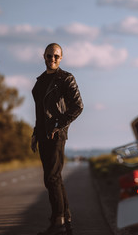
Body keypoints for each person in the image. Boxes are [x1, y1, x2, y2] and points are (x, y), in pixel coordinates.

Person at [31, 43, 83, 235]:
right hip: (44, 134)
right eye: (49, 56)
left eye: (56, 56)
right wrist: (36, 133)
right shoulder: (41, 80)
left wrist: (58, 125)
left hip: (56, 135)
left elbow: (77, 107)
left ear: (61, 58)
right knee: (54, 178)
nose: (52, 59)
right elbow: (40, 112)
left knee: (52, 178)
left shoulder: (65, 78)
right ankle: (65, 219)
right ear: (43, 56)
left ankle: (58, 222)